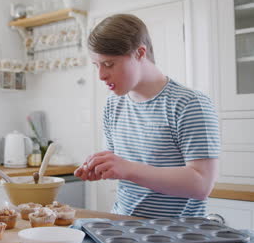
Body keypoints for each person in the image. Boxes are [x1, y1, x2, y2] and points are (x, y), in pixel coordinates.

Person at [75, 14, 220, 218]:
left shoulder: (189, 104)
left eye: (109, 64)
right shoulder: (113, 104)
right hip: (122, 227)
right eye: (96, 65)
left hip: (175, 235)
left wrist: (127, 168)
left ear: (140, 53)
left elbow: (201, 184)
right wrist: (101, 168)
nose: (101, 75)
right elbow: (121, 169)